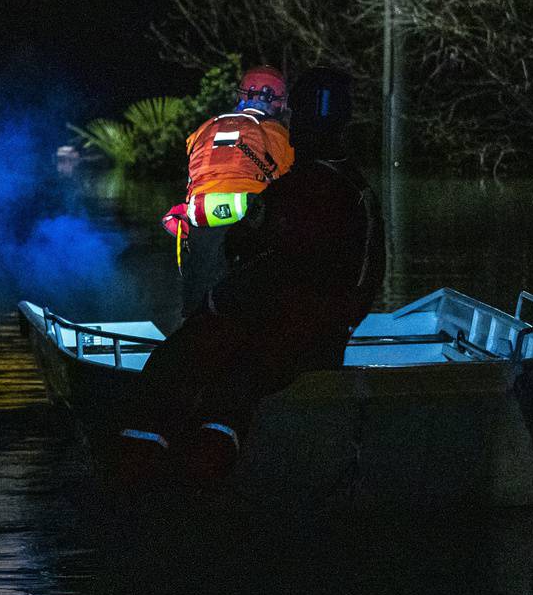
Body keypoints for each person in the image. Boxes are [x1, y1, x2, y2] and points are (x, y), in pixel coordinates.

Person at [120, 67, 385, 484]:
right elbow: (363, 283)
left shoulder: (288, 190)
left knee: (183, 370)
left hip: (278, 333)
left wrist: (217, 302)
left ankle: (153, 481)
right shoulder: (354, 193)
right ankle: (183, 472)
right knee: (214, 374)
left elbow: (250, 255)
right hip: (301, 335)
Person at [160, 64, 294, 321]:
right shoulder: (279, 135)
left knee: (199, 303)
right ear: (280, 102)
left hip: (200, 214)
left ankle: (195, 332)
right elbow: (289, 184)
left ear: (241, 96)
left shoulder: (204, 129)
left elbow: (194, 172)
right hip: (251, 216)